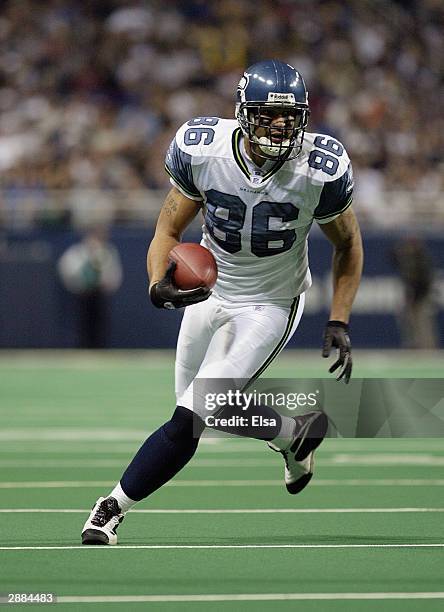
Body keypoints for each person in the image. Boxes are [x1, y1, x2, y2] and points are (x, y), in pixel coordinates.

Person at [81, 60, 363, 545]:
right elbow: (167, 230)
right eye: (267, 116)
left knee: (189, 419)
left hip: (270, 302)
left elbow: (349, 245)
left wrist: (339, 318)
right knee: (202, 409)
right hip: (209, 291)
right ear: (242, 113)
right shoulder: (204, 149)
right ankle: (292, 432)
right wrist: (156, 282)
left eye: (289, 116)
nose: (280, 126)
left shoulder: (320, 169)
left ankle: (112, 507)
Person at [57, 226, 123, 348]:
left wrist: (106, 283)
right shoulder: (77, 252)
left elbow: (114, 275)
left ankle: (100, 348)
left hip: (100, 294)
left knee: (100, 325)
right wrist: (78, 283)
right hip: (82, 295)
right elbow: (66, 270)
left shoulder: (107, 252)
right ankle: (83, 348)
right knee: (82, 324)